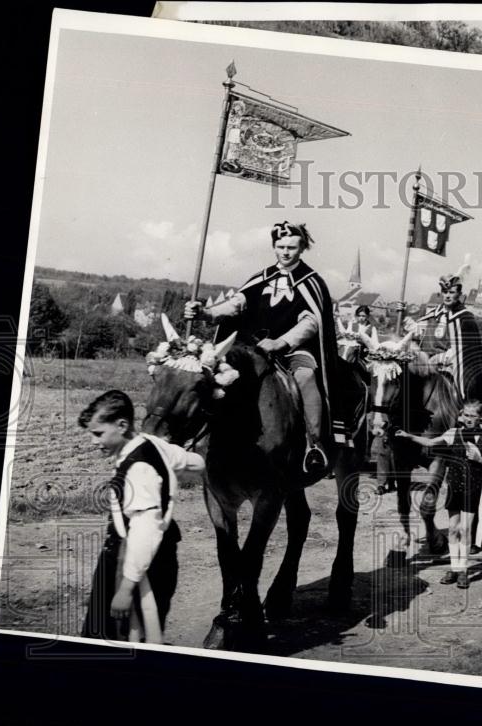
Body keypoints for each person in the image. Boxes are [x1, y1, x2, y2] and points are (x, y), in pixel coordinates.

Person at [185, 221, 340, 476]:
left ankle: (314, 444)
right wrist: (205, 312)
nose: (285, 252)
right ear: (274, 247)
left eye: (292, 247)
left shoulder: (311, 281)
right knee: (221, 375)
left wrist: (281, 342)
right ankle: (206, 439)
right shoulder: (261, 278)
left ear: (302, 248)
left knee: (306, 376)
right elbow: (235, 304)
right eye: (280, 247)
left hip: (294, 350)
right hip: (254, 347)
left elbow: (311, 322)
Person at [78, 390, 205, 644]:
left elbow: (145, 530)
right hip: (151, 557)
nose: (93, 441)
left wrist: (126, 589)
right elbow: (195, 463)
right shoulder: (150, 442)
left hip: (136, 563)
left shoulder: (138, 468)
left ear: (122, 425)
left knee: (119, 635)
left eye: (98, 433)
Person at [395, 399, 482, 589]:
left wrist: (479, 458)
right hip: (454, 487)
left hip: (472, 489)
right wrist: (408, 436)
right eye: (466, 415)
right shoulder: (453, 433)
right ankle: (454, 567)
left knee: (465, 530)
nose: (468, 419)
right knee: (452, 529)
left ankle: (464, 571)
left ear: (480, 418)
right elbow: (430, 441)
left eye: (473, 416)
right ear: (461, 415)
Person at [406, 274, 482, 416]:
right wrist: (409, 321)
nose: (447, 296)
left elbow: (466, 350)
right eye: (445, 292)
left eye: (451, 292)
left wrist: (442, 357)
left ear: (459, 294)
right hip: (428, 363)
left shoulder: (466, 318)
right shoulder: (434, 314)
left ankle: (464, 417)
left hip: (454, 365)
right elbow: (421, 332)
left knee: (467, 387)